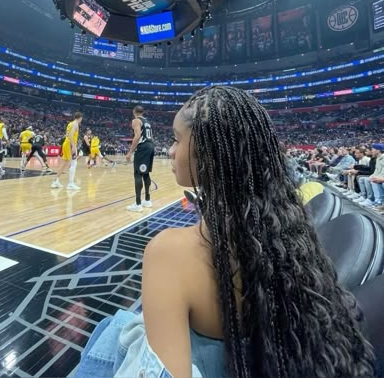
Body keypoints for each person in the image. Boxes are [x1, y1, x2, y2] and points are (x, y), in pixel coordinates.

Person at [75, 86, 375, 378]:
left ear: (209, 155)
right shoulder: (291, 235)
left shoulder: (169, 252)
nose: (171, 149)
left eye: (176, 139)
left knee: (112, 329)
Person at [126, 105, 155, 212]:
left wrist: (130, 152)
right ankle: (147, 200)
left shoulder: (136, 120)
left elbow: (137, 136)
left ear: (134, 112)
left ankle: (138, 204)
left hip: (143, 148)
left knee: (138, 174)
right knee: (146, 173)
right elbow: (151, 137)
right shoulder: (147, 121)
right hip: (150, 146)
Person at [52, 112, 83, 190]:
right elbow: (70, 135)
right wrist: (73, 146)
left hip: (66, 143)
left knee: (64, 163)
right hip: (70, 144)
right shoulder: (75, 124)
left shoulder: (70, 123)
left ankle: (56, 181)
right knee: (74, 163)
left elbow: (67, 135)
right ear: (80, 118)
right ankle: (71, 184)